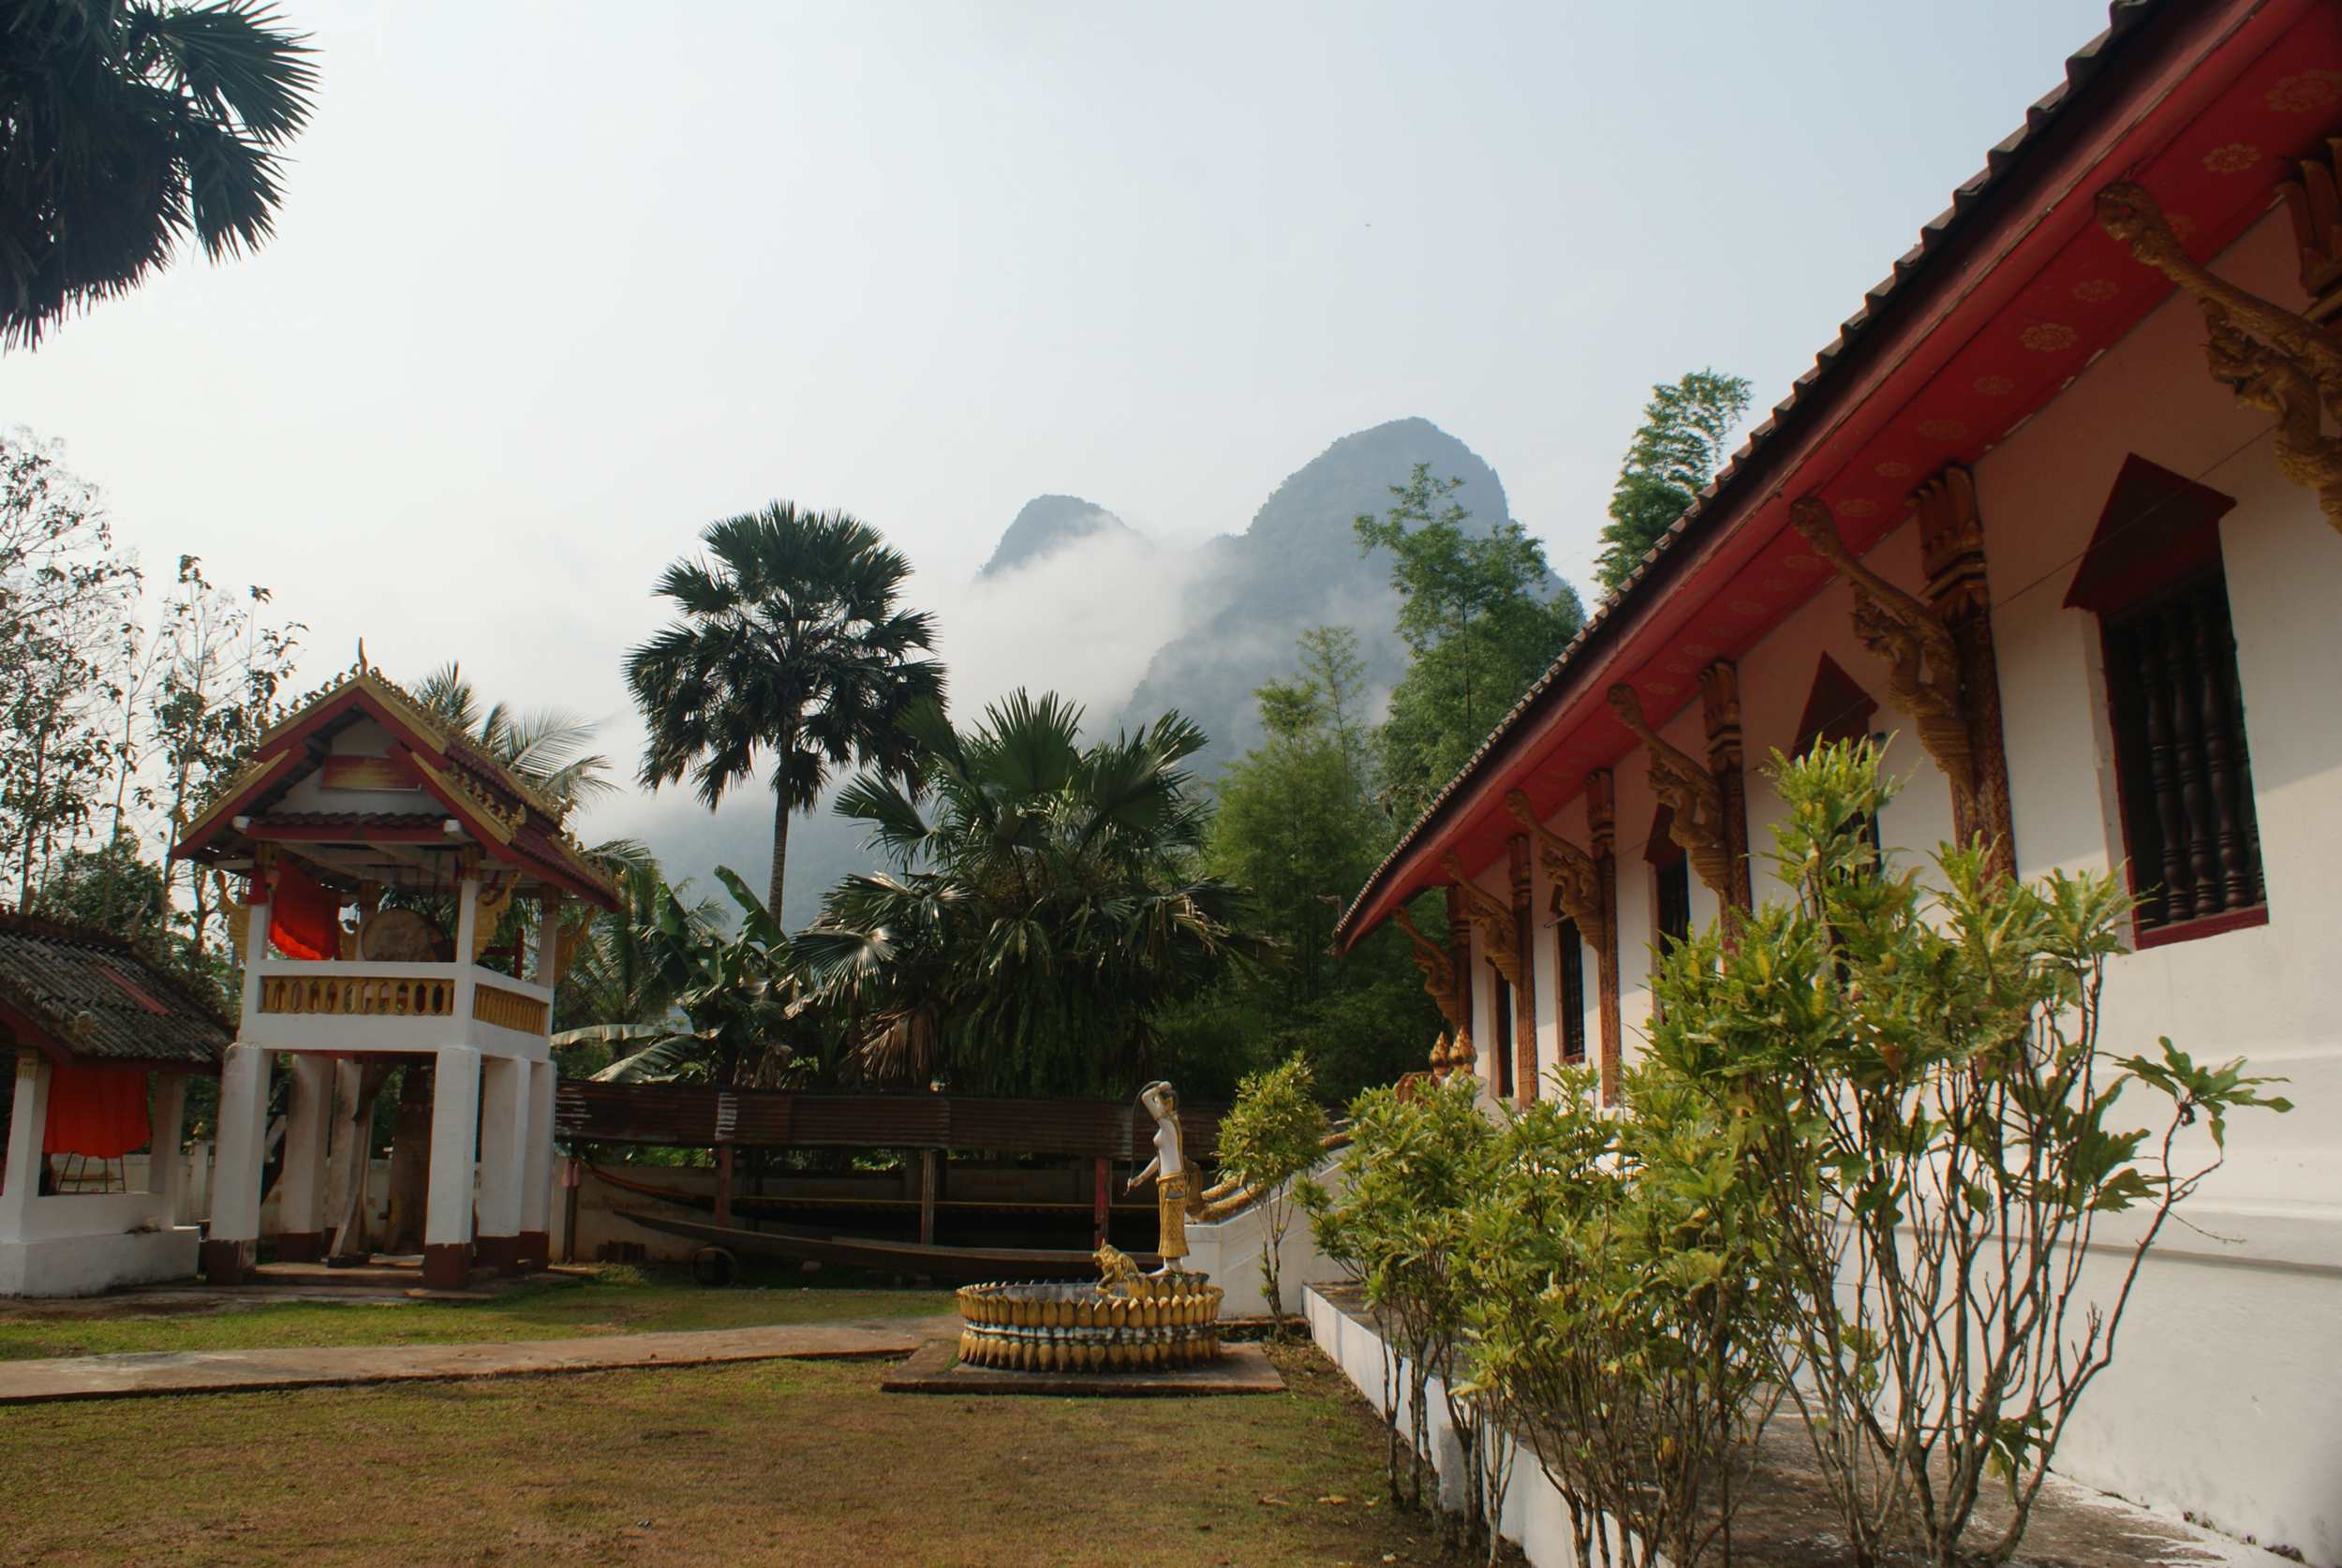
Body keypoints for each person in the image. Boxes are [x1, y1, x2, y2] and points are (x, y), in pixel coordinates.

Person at [1126, 1079, 1198, 1273]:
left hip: (1173, 1183)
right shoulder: (1168, 1127)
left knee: (1171, 1224)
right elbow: (1160, 1158)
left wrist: (1159, 1088)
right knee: (1167, 1224)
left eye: (1160, 1102)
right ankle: (1170, 1265)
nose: (1156, 1105)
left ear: (1168, 1104)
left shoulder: (1168, 1125)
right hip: (1169, 1182)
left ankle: (1173, 1265)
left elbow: (1145, 1097)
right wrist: (1141, 1178)